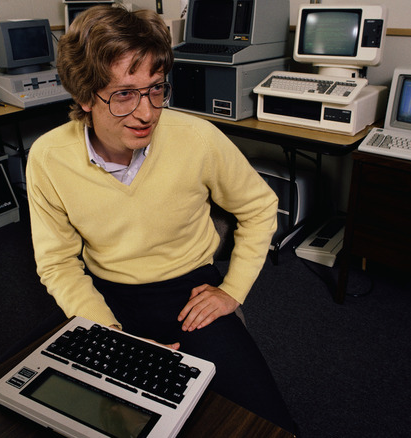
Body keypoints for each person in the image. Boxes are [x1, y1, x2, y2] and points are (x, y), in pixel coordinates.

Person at [26, 4, 295, 433]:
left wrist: (233, 290)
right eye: (124, 94)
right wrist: (108, 333)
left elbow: (259, 207)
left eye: (155, 89)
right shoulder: (48, 157)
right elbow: (57, 263)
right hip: (106, 297)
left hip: (189, 292)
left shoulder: (197, 137)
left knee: (264, 423)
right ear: (84, 96)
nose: (147, 112)